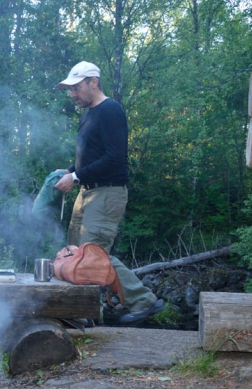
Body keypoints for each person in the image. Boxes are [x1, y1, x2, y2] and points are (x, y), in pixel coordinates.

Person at [54, 61, 165, 324]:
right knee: (76, 254)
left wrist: (77, 175)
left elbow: (115, 158)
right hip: (88, 191)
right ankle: (85, 314)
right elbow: (93, 156)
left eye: (76, 88)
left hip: (107, 192)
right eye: (70, 89)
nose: (72, 94)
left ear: (93, 82)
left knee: (93, 255)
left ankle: (144, 301)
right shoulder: (88, 113)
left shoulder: (110, 110)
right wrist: (70, 170)